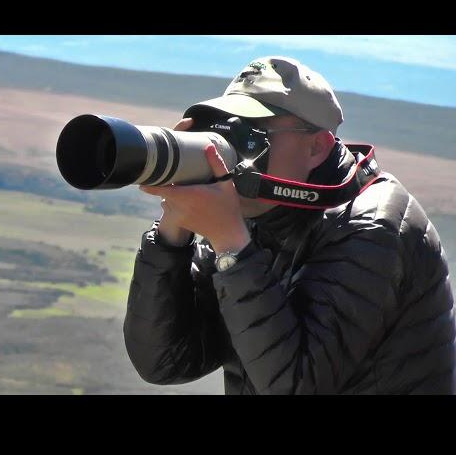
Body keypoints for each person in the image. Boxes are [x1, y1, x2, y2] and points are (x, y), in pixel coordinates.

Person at [122, 55, 455, 395]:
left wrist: (232, 246)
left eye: (252, 134)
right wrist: (171, 234)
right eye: (225, 127)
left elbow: (297, 386)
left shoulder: (374, 225)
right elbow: (164, 361)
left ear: (316, 147)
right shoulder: (248, 213)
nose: (233, 148)